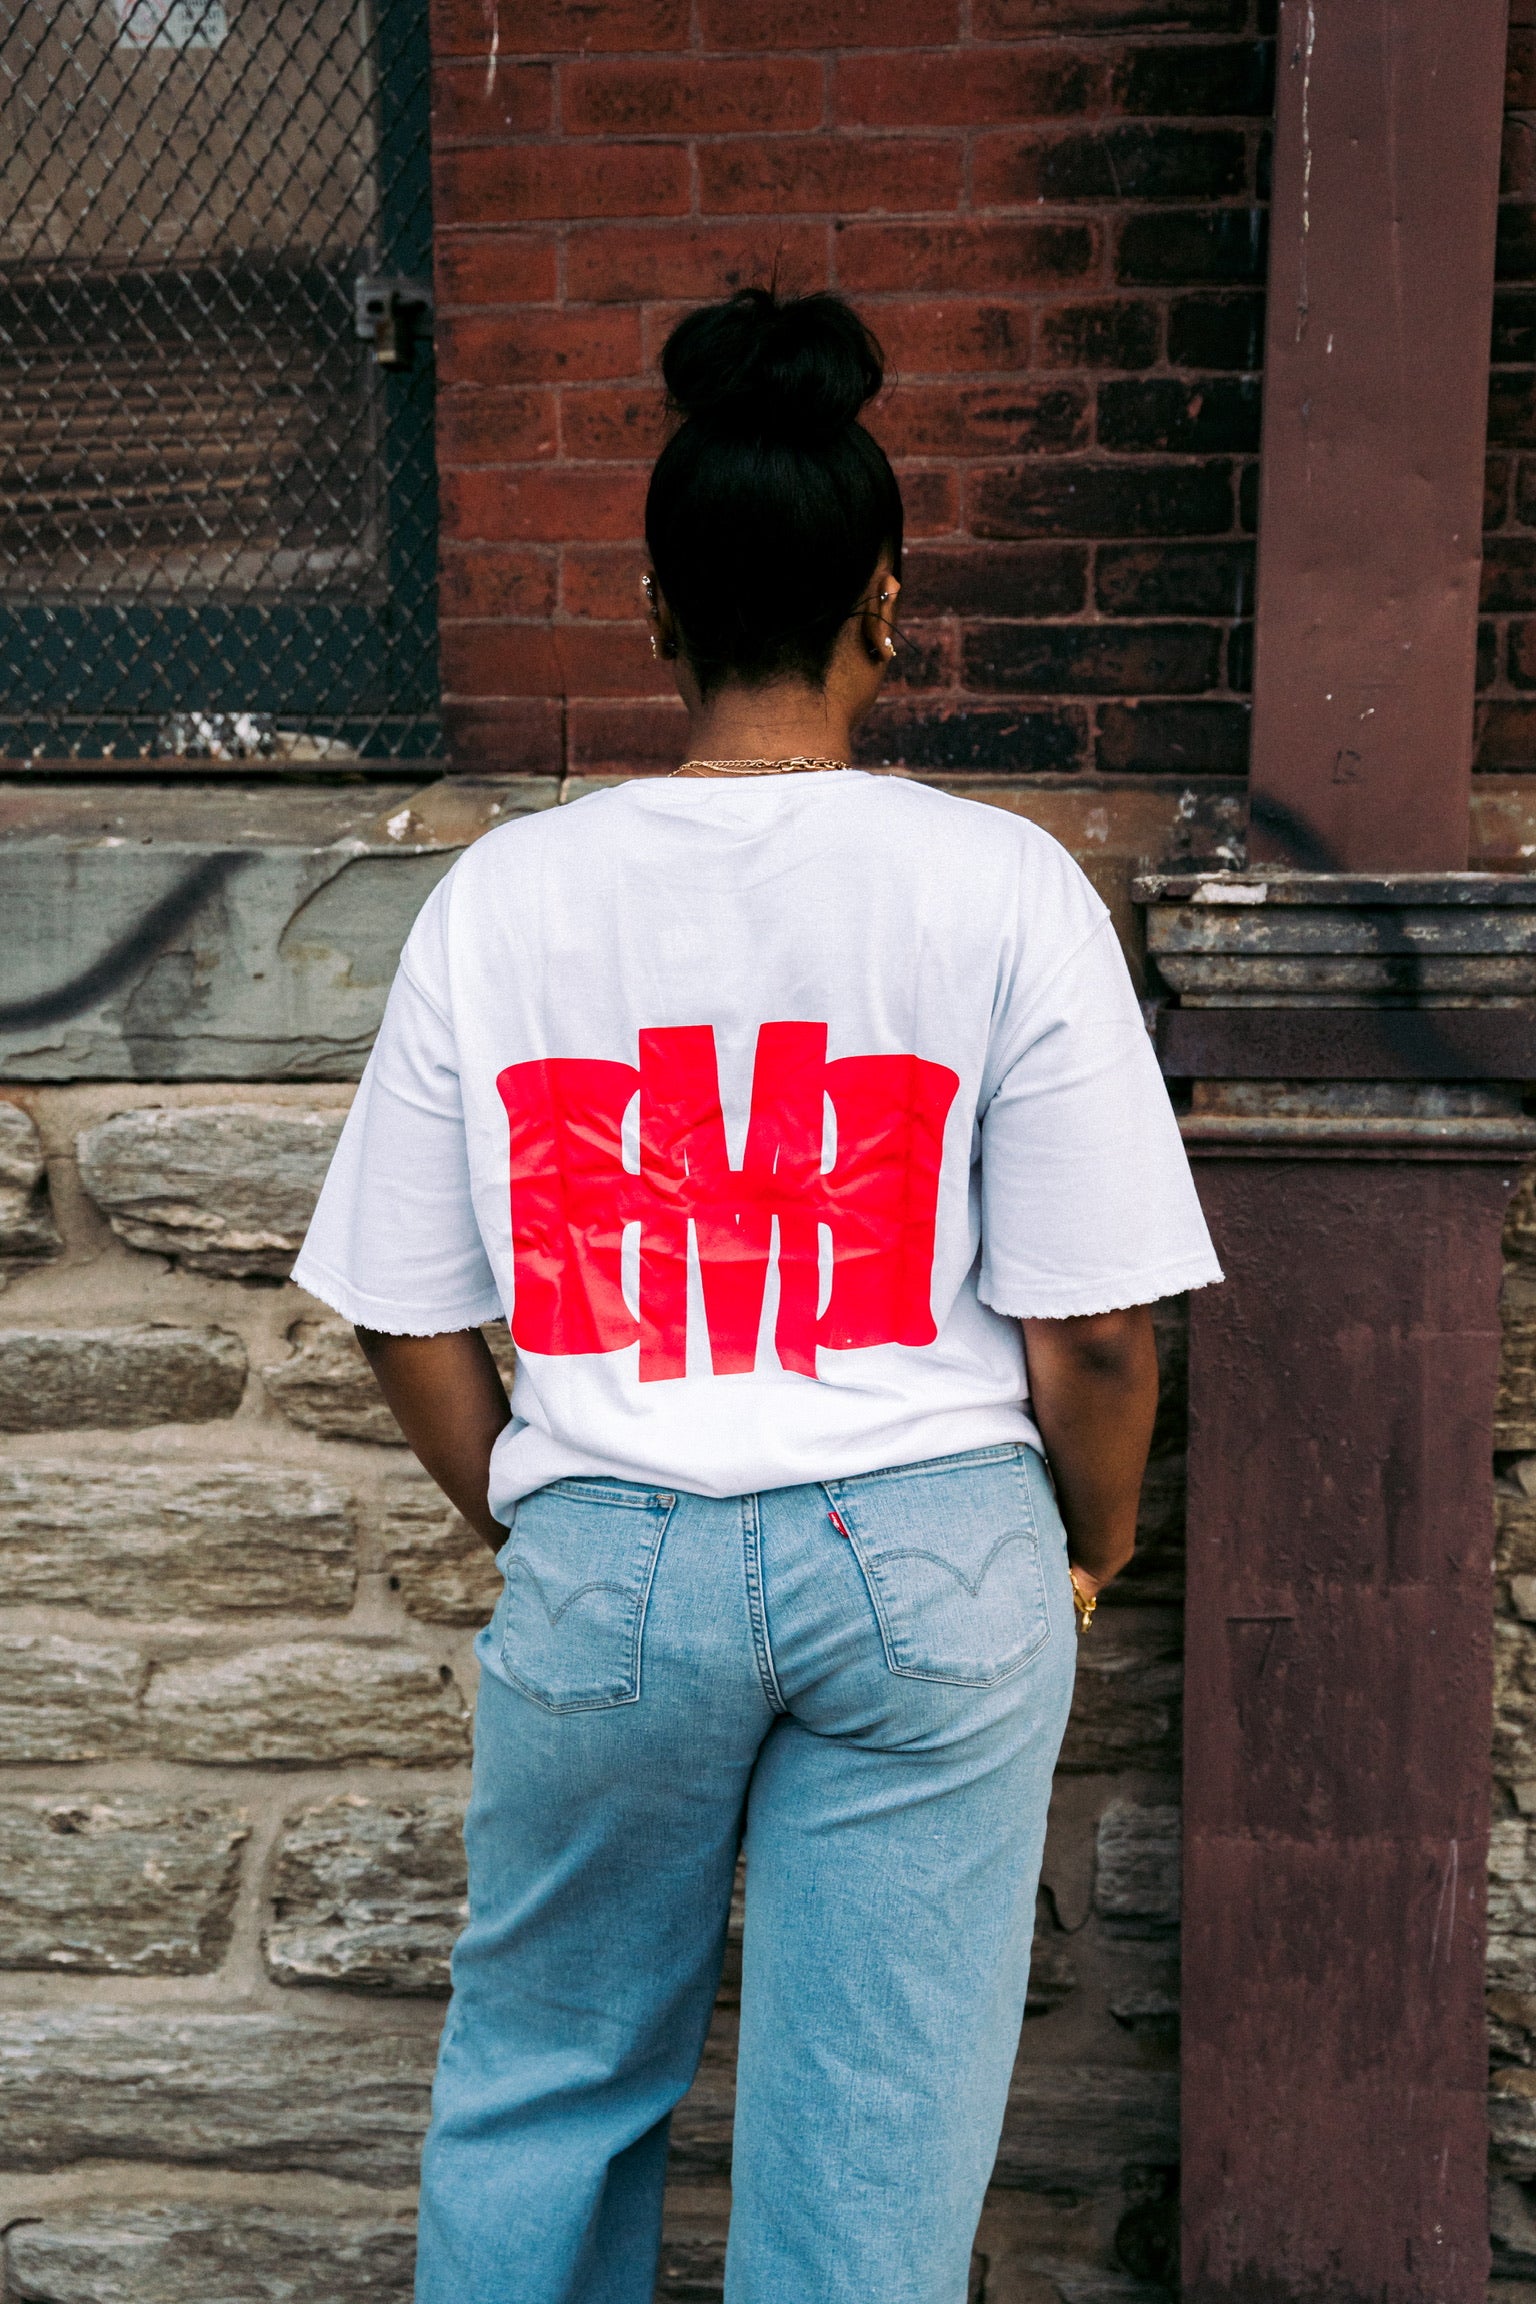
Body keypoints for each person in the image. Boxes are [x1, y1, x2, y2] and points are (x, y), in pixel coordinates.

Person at [293, 285, 1221, 2304]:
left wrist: (553, 1508)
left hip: (610, 1546)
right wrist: (1099, 1543)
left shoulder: (504, 900)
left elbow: (401, 1311)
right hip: (940, 1552)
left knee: (542, 2081)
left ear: (655, 616)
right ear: (887, 602)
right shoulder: (1003, 888)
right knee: (873, 2140)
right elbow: (1097, 1335)